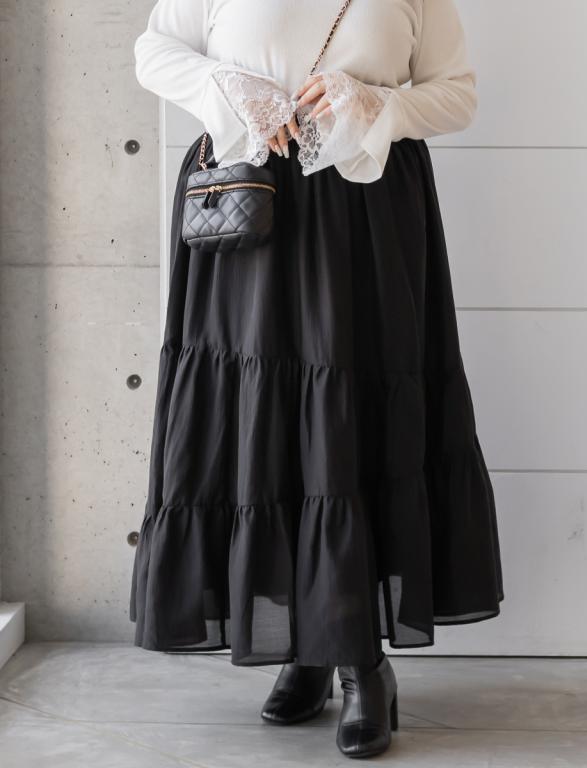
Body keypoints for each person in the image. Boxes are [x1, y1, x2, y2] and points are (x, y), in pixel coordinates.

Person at [129, 0, 504, 759]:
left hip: (368, 219)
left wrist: (373, 103)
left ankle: (361, 663)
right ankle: (304, 649)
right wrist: (233, 88)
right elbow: (154, 52)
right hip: (245, 205)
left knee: (349, 420)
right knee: (260, 420)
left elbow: (457, 94)